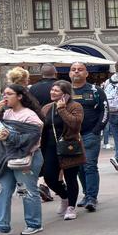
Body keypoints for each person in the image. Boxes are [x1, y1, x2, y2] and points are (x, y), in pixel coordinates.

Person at [0, 84, 44, 235]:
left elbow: (31, 139)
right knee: (1, 190)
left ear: (20, 96)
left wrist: (9, 136)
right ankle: (1, 226)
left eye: (9, 94)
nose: (5, 97)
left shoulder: (29, 115)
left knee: (26, 191)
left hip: (25, 159)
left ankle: (34, 224)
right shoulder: (6, 113)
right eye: (4, 94)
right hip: (6, 158)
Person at [40, 80, 85, 221]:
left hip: (69, 147)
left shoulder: (75, 106)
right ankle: (65, 196)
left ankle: (71, 206)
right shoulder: (47, 108)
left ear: (65, 94)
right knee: (49, 177)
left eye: (56, 90)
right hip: (50, 147)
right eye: (52, 90)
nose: (52, 92)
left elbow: (75, 124)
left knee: (70, 177)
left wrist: (62, 109)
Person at [67, 62, 106, 212]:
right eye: (73, 69)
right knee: (78, 167)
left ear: (86, 73)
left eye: (80, 69)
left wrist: (97, 129)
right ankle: (86, 193)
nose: (76, 72)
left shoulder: (95, 90)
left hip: (90, 134)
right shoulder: (65, 91)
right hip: (71, 136)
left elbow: (105, 110)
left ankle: (91, 197)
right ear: (69, 73)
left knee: (89, 165)